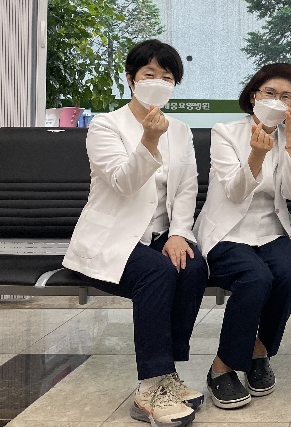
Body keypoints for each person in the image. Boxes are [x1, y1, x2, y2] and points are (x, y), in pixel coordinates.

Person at [63, 40, 208, 427]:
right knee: (157, 273)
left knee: (192, 267)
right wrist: (148, 140)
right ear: (131, 80)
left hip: (159, 234)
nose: (158, 82)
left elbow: (186, 188)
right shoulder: (106, 126)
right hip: (112, 239)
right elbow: (122, 183)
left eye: (167, 77)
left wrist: (179, 233)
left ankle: (167, 374)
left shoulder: (181, 130)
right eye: (149, 74)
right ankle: (150, 389)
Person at [195, 63, 291, 409]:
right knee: (256, 278)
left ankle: (259, 350)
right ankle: (223, 366)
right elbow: (235, 192)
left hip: (270, 229)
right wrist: (257, 155)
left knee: (289, 276)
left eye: (286, 96)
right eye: (270, 92)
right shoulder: (226, 132)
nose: (277, 101)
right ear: (254, 95)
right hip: (228, 230)